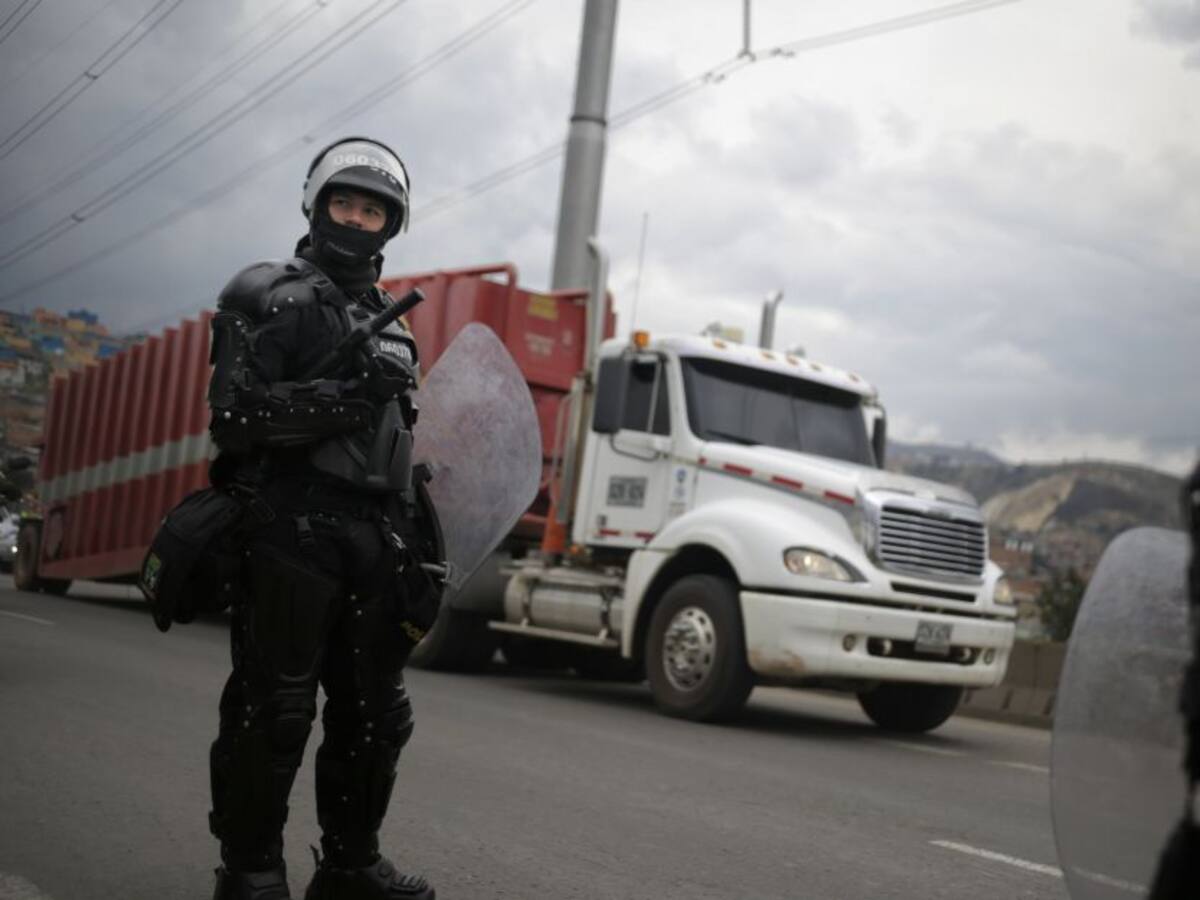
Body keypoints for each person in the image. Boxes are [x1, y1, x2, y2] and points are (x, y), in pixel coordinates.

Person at [204, 136, 442, 900]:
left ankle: (349, 866)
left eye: (373, 208)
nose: (356, 218)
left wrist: (420, 531)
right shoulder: (268, 292)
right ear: (316, 203)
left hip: (375, 540)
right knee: (273, 710)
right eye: (344, 201)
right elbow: (234, 418)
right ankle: (250, 872)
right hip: (289, 529)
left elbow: (398, 434)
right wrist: (346, 395)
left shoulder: (392, 317)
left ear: (391, 223)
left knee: (377, 715)